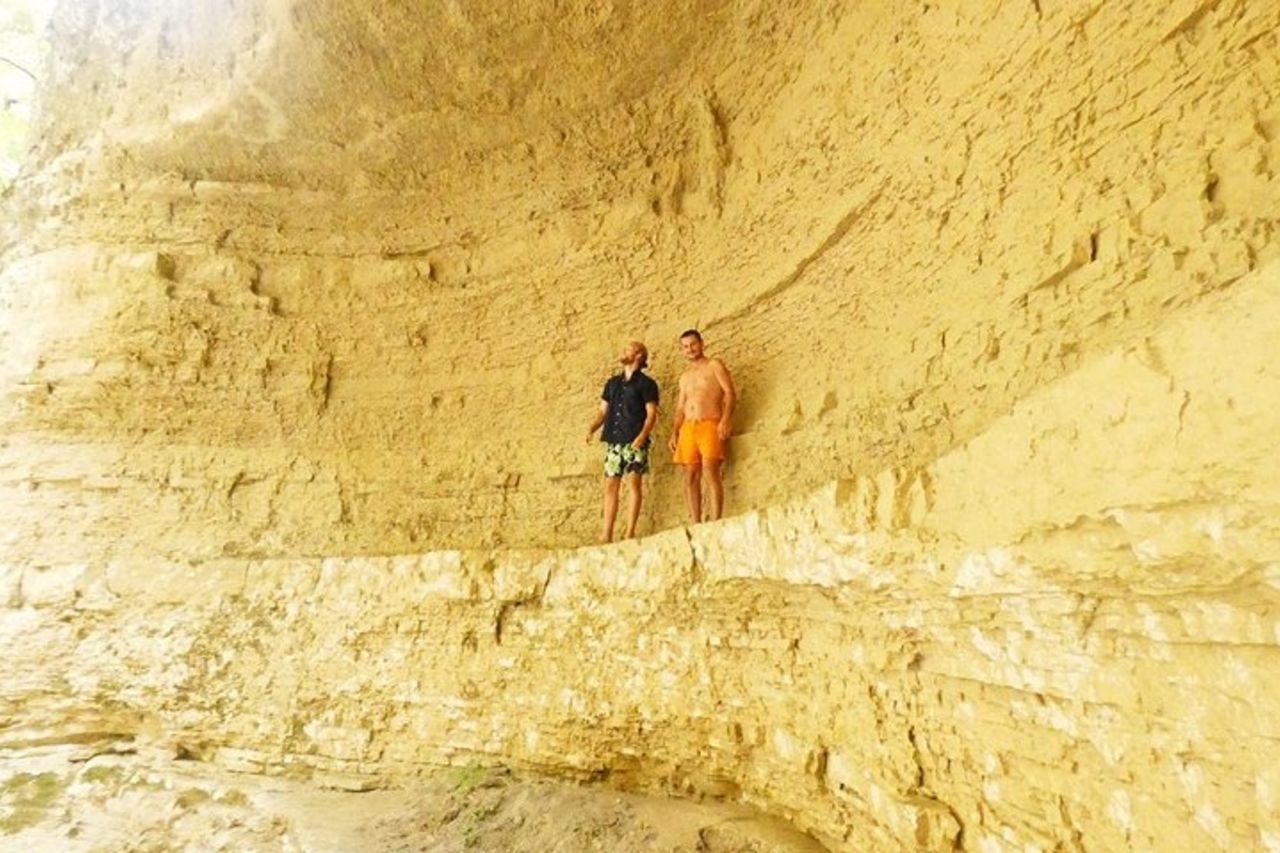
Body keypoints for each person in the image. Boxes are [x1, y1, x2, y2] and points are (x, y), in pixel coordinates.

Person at [585, 341, 659, 542]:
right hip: (614, 440)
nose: (624, 352)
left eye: (628, 349)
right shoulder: (612, 383)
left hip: (635, 439)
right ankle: (607, 533)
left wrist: (643, 435)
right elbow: (603, 411)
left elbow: (651, 415)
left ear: (638, 355)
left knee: (634, 483)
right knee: (611, 486)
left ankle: (629, 532)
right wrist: (592, 427)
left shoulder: (647, 384)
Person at [668, 329, 735, 523]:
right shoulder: (685, 377)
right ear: (682, 350)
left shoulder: (714, 365)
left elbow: (730, 393)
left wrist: (726, 419)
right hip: (688, 427)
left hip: (709, 422)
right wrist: (674, 432)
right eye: (685, 347)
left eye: (693, 344)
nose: (690, 349)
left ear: (701, 344)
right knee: (690, 475)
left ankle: (715, 520)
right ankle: (696, 522)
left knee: (710, 469)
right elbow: (680, 408)